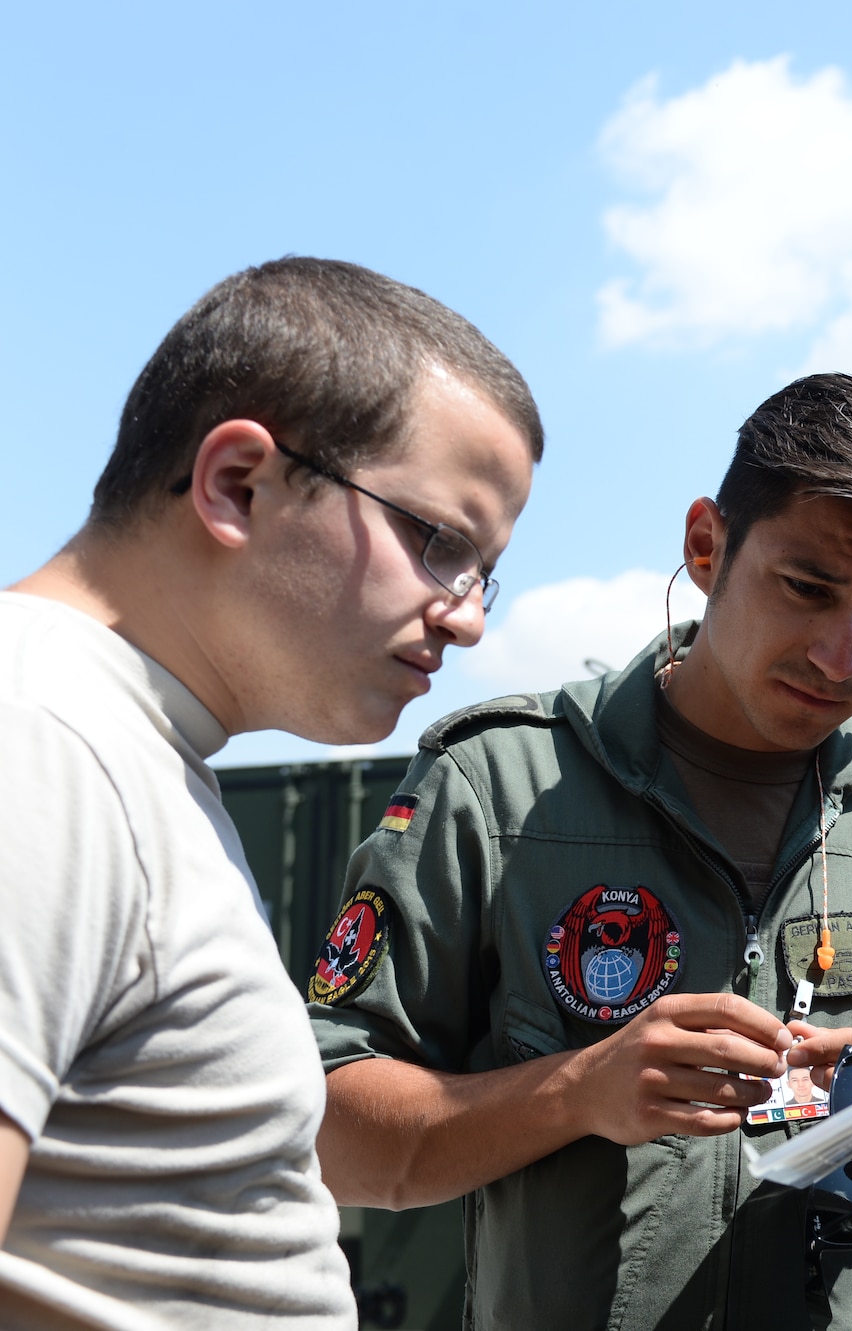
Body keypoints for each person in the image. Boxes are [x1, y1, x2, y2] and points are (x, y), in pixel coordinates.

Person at [311, 373, 852, 1330]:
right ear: (707, 545)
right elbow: (328, 1131)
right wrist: (576, 1090)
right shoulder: (499, 788)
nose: (840, 656)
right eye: (806, 588)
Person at [0, 257, 542, 1329]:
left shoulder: (127, 750)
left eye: (485, 572)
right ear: (236, 483)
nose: (468, 617)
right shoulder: (42, 736)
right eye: (439, 542)